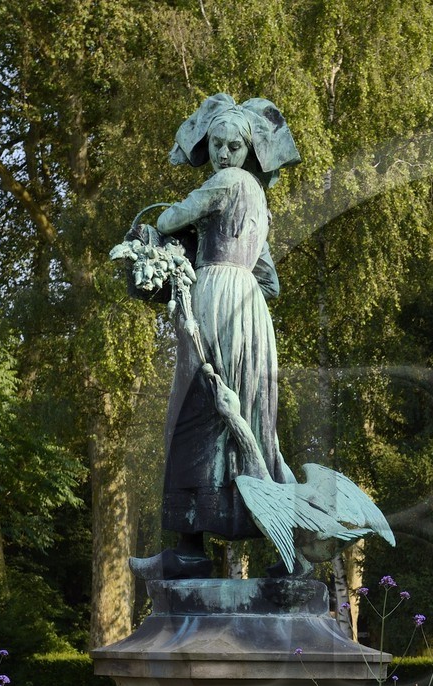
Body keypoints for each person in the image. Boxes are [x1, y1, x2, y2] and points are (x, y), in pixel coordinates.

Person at [130, 94, 302, 580]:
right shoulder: (259, 199)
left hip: (214, 301)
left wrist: (185, 254)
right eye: (217, 145)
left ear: (246, 151)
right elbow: (269, 279)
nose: (224, 153)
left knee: (197, 412)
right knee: (251, 422)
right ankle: (284, 549)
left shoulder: (225, 181)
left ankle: (189, 547)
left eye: (233, 145)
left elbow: (167, 219)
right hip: (249, 313)